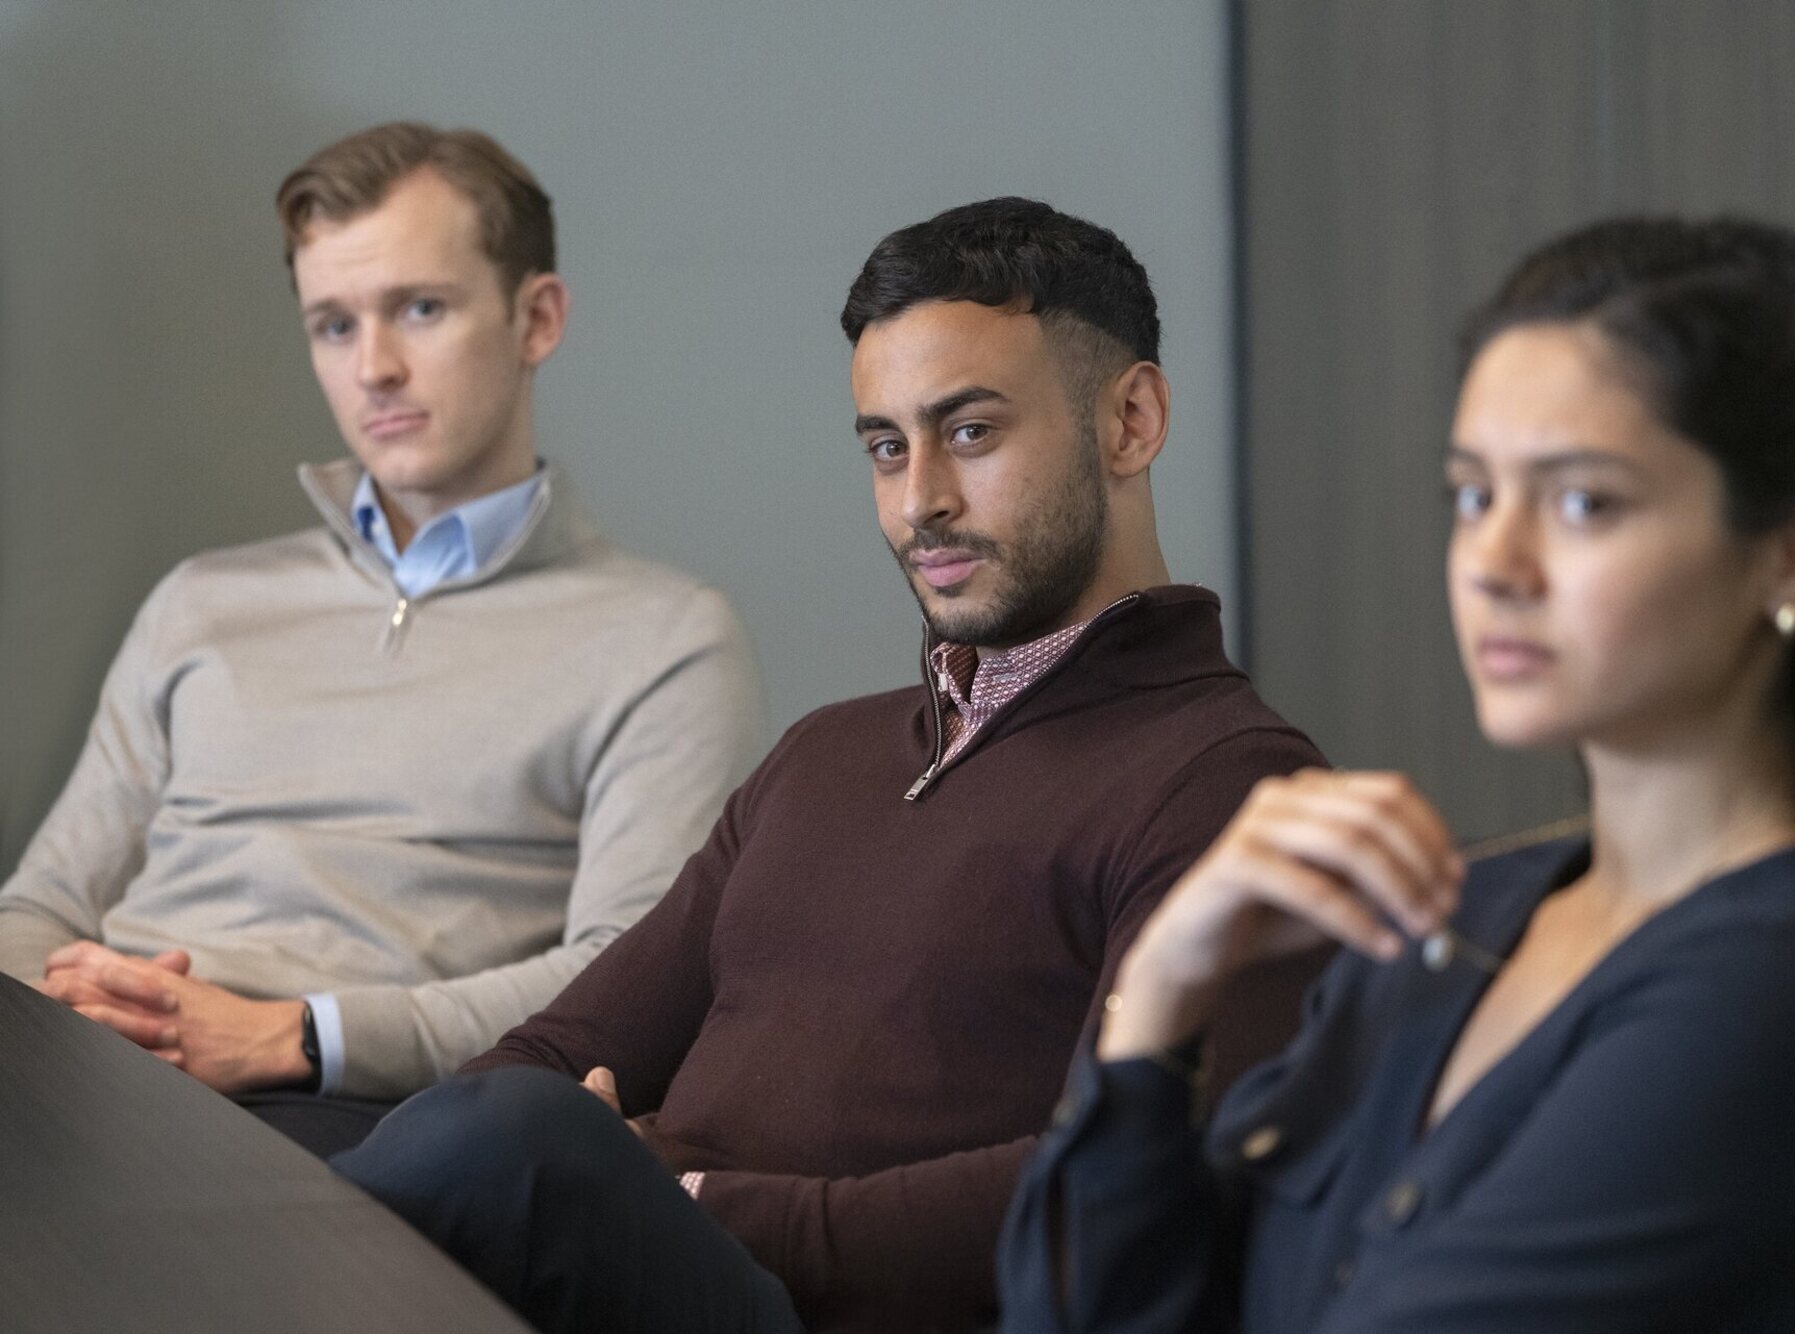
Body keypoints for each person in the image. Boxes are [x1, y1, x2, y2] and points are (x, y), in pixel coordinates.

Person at [330, 196, 1326, 1334]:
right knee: (438, 1128)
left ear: (1131, 420)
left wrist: (690, 1202)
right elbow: (567, 1045)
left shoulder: (1232, 784)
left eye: (970, 432)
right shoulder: (828, 752)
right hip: (625, 1279)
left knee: (499, 1146)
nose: (920, 503)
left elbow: (1126, 1178)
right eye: (886, 446)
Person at [999, 216, 1795, 1331]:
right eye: (1473, 495)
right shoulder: (1447, 917)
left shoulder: (1792, 996)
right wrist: (1167, 984)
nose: (1494, 564)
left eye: (1582, 502)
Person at [0, 122, 764, 1155]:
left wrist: (296, 1035)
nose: (376, 368)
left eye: (420, 307)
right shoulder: (204, 598)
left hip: (355, 1112)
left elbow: (618, 977)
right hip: (90, 1064)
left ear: (535, 317)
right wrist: (81, 1021)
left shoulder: (663, 637)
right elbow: (42, 900)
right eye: (332, 324)